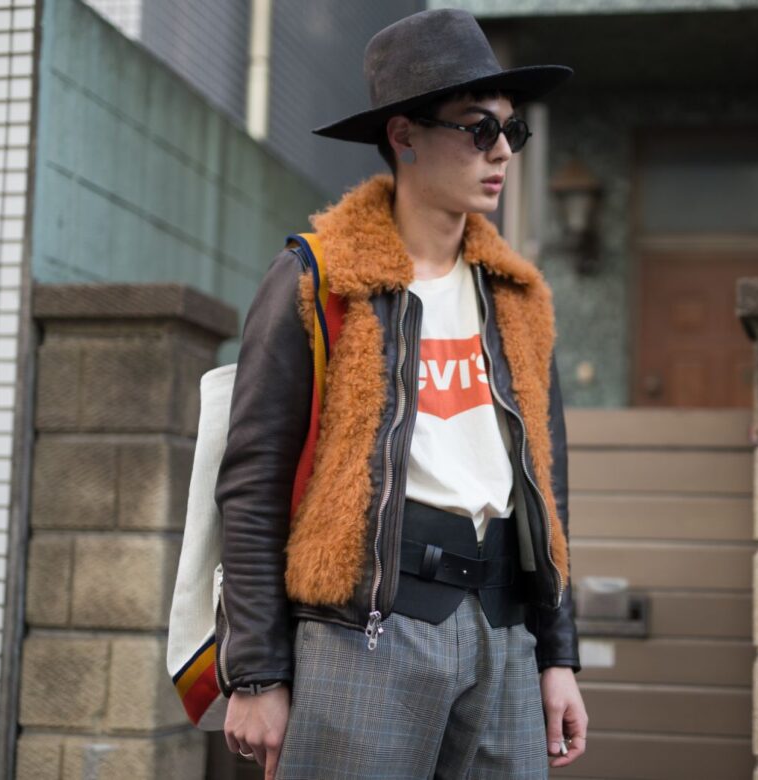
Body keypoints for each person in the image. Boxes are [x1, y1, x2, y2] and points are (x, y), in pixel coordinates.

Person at [212, 8, 587, 779]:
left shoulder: (518, 295)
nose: (501, 153)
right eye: (478, 128)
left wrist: (558, 655)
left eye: (511, 132)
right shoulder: (320, 280)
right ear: (404, 136)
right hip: (366, 628)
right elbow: (251, 486)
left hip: (505, 627)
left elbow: (548, 493)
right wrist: (256, 673)